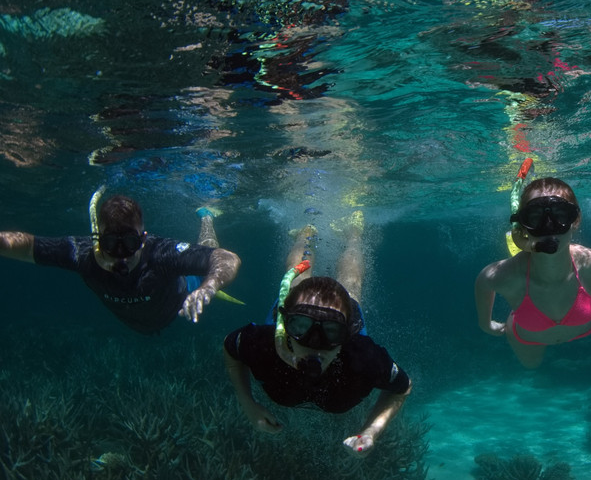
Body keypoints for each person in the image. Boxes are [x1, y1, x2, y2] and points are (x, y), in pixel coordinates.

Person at [223, 216, 412, 455]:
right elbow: (230, 349)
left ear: (347, 333)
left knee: (349, 287)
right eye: (301, 326)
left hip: (340, 316)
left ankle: (354, 235)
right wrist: (248, 405)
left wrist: (370, 431)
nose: (315, 344)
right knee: (300, 278)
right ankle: (307, 232)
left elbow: (402, 387)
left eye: (331, 331)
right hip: (297, 311)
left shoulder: (363, 357)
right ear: (286, 323)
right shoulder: (263, 343)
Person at [0, 192, 240, 334]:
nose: (121, 254)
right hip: (140, 323)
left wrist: (209, 286)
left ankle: (206, 216)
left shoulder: (159, 254)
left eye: (130, 243)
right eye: (111, 244)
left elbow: (226, 257)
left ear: (143, 240)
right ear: (98, 240)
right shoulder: (81, 255)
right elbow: (29, 245)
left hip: (183, 292)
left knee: (209, 250)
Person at [475, 176, 591, 368]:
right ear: (522, 226)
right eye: (536, 217)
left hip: (572, 332)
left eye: (560, 215)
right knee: (531, 367)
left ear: (575, 220)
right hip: (527, 339)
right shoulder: (506, 275)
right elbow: (484, 282)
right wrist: (485, 323)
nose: (548, 228)